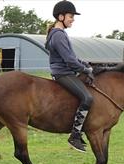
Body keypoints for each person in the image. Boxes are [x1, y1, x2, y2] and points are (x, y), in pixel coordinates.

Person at [45, 0, 94, 153]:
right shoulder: (58, 35)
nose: (73, 19)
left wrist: (86, 64)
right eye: (71, 16)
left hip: (66, 71)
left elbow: (73, 57)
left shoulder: (60, 33)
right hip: (63, 73)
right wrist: (85, 70)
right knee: (88, 98)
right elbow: (70, 61)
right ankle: (75, 135)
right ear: (61, 17)